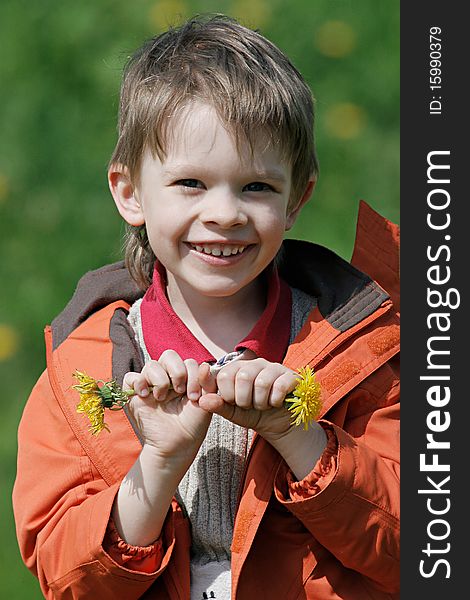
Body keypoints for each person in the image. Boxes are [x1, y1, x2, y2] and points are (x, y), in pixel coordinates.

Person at [13, 14, 400, 600]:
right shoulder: (81, 372)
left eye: (257, 187)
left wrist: (300, 438)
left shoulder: (363, 350)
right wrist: (160, 464)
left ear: (297, 199)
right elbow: (68, 581)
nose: (225, 214)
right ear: (129, 192)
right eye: (191, 183)